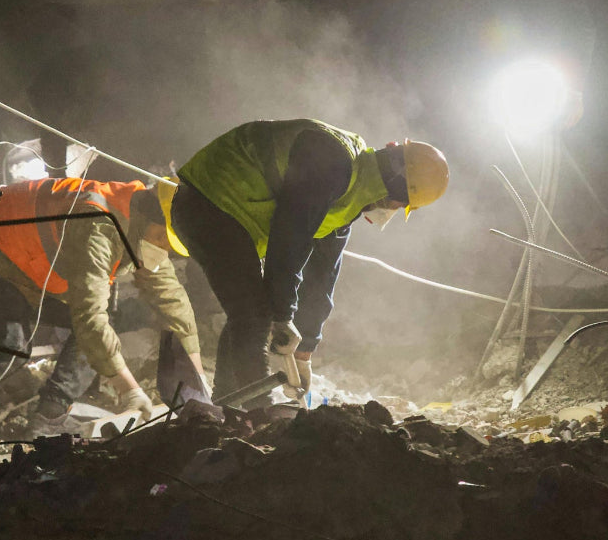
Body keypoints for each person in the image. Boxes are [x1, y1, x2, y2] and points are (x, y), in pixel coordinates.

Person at [170, 119, 448, 406]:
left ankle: (229, 403)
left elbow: (323, 275)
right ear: (397, 188)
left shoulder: (350, 194)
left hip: (232, 211)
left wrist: (305, 349)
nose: (394, 210)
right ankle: (258, 410)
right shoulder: (333, 161)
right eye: (401, 204)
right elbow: (290, 237)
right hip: (208, 200)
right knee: (253, 313)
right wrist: (283, 314)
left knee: (253, 308)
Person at [0, 177, 203, 434]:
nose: (163, 249)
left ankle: (50, 414)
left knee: (103, 325)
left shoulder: (142, 228)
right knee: (11, 346)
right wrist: (130, 390)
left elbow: (173, 302)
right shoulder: (99, 226)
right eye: (162, 238)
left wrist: (198, 381)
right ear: (150, 217)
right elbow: (89, 318)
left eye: (169, 245)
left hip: (23, 262)